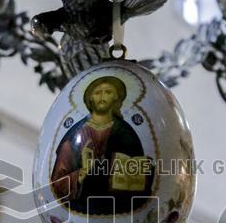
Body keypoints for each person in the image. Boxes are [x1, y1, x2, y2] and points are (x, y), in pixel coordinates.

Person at [50, 76, 153, 215]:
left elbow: (140, 181)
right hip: (81, 208)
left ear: (116, 98)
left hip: (119, 210)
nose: (102, 97)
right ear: (90, 98)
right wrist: (82, 172)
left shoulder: (126, 133)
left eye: (108, 92)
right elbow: (57, 183)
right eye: (97, 93)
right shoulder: (75, 134)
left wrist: (144, 170)